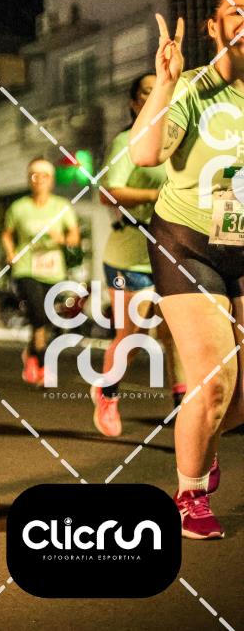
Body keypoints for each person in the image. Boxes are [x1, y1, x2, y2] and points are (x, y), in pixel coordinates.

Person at [130, 0, 244, 540]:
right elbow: (146, 153)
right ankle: (189, 495)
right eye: (234, 12)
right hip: (187, 242)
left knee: (237, 397)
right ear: (214, 28)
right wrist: (166, 83)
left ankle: (205, 440)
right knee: (213, 379)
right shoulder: (194, 89)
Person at [92, 74, 186, 437]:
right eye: (146, 92)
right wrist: (156, 196)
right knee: (132, 334)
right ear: (134, 104)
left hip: (172, 251)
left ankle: (182, 407)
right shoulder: (126, 141)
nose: (155, 95)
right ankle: (108, 393)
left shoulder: (178, 140)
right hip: (130, 255)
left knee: (174, 334)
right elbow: (108, 193)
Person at [1, 157, 80, 386]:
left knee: (46, 318)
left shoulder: (62, 207)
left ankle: (31, 353)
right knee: (37, 312)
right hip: (26, 268)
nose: (39, 180)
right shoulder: (19, 207)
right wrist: (10, 252)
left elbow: (74, 238)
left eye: (45, 176)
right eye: (34, 176)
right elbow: (7, 234)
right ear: (29, 179)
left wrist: (62, 238)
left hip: (53, 271)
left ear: (52, 180)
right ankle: (44, 366)